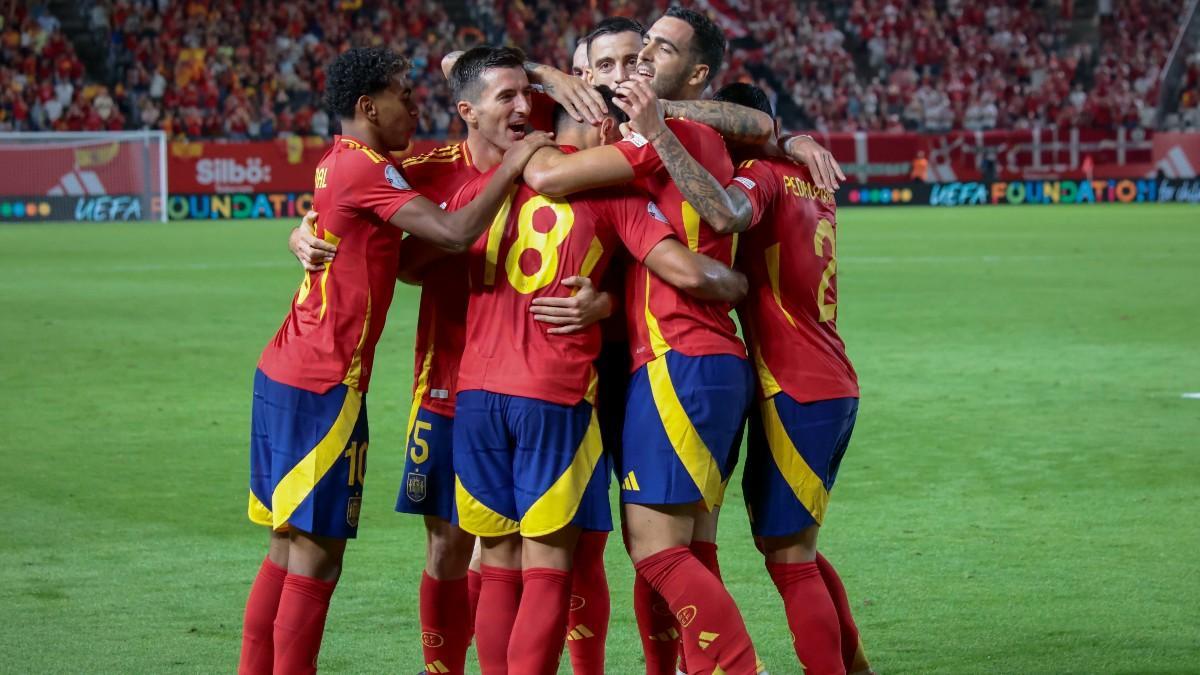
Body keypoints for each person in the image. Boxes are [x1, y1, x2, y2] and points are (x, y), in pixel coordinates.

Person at [236, 46, 552, 675]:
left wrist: (304, 228)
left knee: (284, 545)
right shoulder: (370, 169)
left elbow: (374, 239)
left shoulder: (346, 162)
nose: (415, 107)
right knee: (316, 558)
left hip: (290, 370)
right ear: (367, 106)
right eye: (404, 98)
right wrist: (518, 161)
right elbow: (456, 234)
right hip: (324, 380)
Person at [448, 85, 749, 675]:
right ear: (598, 129)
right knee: (548, 569)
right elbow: (686, 270)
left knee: (495, 563)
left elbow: (417, 256)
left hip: (475, 398)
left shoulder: (484, 187)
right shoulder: (613, 197)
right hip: (553, 397)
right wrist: (740, 287)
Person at [634, 80, 874, 675]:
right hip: (825, 377)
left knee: (791, 559)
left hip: (793, 381)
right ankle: (855, 664)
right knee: (794, 550)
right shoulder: (808, 179)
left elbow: (729, 210)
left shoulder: (763, 176)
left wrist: (664, 131)